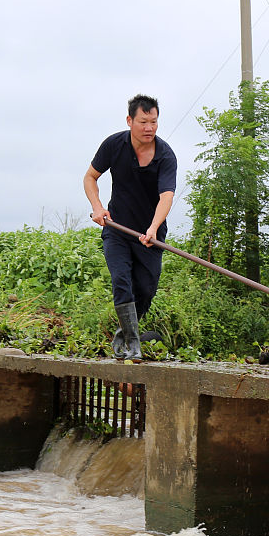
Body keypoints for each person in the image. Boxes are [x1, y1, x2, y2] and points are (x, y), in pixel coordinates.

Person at [83, 94, 177, 360]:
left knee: (145, 290)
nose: (149, 128)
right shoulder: (114, 145)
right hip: (118, 230)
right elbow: (90, 177)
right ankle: (133, 345)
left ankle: (124, 334)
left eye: (154, 122)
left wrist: (153, 227)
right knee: (121, 280)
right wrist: (98, 207)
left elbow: (166, 196)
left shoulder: (165, 155)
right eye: (143, 122)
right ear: (130, 121)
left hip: (149, 234)